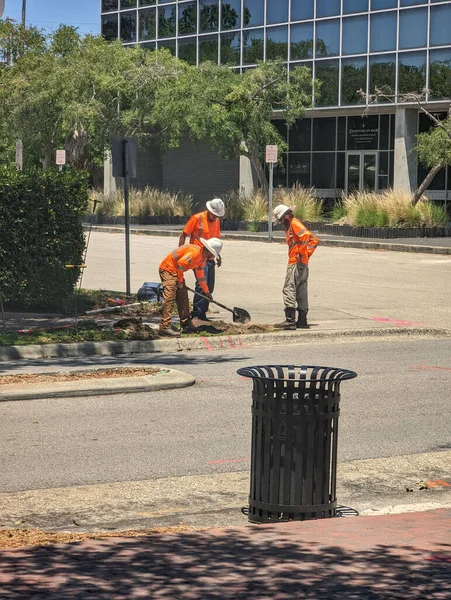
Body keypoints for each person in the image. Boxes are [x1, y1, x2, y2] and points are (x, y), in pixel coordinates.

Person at [158, 237, 223, 337]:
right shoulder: (195, 253)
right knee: (170, 296)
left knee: (183, 297)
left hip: (177, 271)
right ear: (210, 252)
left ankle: (186, 323)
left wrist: (206, 292)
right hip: (168, 269)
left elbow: (200, 277)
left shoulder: (202, 259)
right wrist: (180, 281)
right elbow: (180, 264)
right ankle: (164, 327)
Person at [272, 204, 319, 330]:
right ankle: (302, 320)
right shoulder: (292, 224)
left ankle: (290, 320)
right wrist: (306, 255)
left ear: (286, 216)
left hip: (296, 262)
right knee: (301, 291)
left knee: (288, 289)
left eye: (281, 220)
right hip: (302, 263)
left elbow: (307, 236)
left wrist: (301, 254)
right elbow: (314, 240)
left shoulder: (293, 223)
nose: (281, 223)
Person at [178, 198, 225, 321]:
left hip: (209, 257)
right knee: (201, 285)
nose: (215, 217)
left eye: (217, 215)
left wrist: (218, 256)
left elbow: (215, 240)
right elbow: (184, 234)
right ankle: (198, 313)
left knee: (209, 286)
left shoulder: (217, 221)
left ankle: (203, 311)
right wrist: (181, 252)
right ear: (209, 210)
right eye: (213, 214)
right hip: (197, 256)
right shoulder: (197, 218)